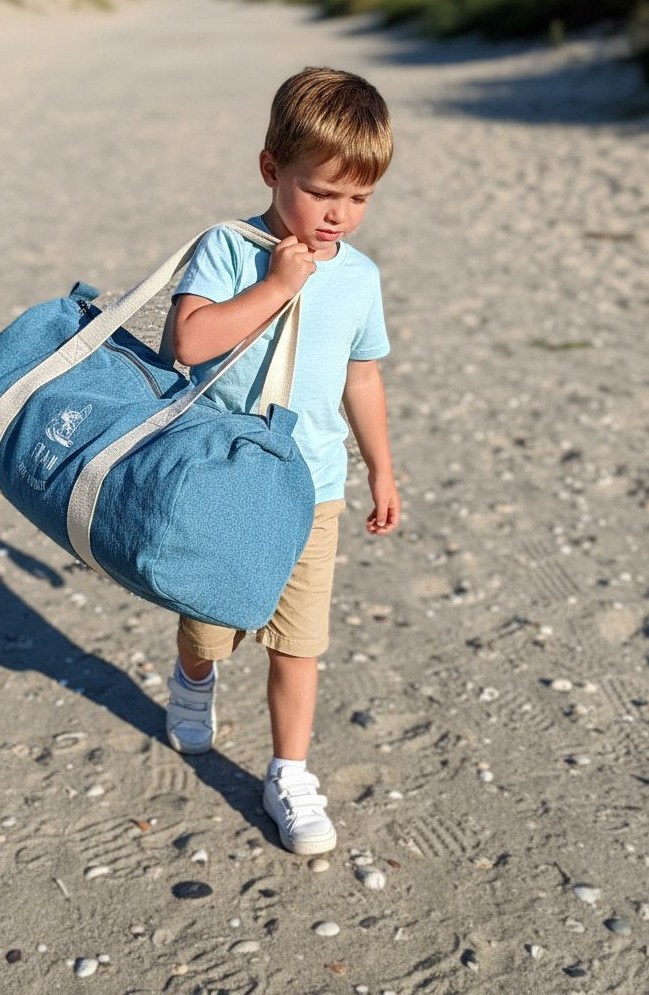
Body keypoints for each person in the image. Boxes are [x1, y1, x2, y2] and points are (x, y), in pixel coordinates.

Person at [164, 66, 401, 855]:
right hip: (221, 482)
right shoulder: (230, 250)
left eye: (360, 198)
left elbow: (361, 376)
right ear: (271, 169)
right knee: (209, 628)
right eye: (323, 192)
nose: (340, 216)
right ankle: (193, 681)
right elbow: (190, 343)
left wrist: (383, 469)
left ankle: (289, 773)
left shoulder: (360, 277)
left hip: (315, 491)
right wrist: (276, 286)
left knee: (300, 644)